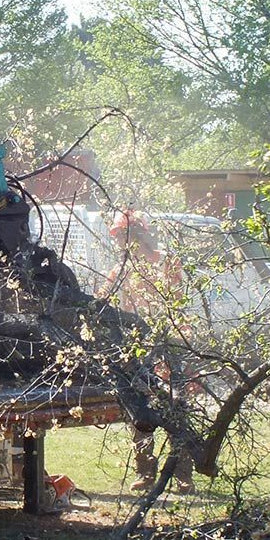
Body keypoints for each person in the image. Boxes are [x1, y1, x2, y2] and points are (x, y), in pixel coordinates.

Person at [106, 209, 194, 494]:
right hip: (136, 348)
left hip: (167, 344)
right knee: (140, 412)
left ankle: (183, 475)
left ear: (136, 236)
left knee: (176, 408)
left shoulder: (166, 264)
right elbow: (104, 302)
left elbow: (176, 303)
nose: (119, 243)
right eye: (118, 237)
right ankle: (145, 473)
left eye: (122, 236)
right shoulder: (119, 271)